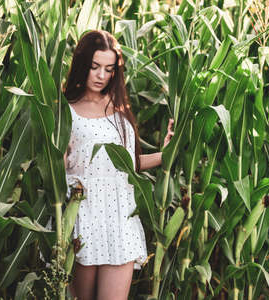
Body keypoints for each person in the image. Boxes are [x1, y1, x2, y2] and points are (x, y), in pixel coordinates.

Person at [62, 30, 174, 300]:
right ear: (82, 65)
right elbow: (58, 166)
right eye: (94, 67)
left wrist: (164, 154)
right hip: (83, 217)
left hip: (120, 219)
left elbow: (128, 164)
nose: (101, 75)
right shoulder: (66, 112)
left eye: (109, 69)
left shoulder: (119, 111)